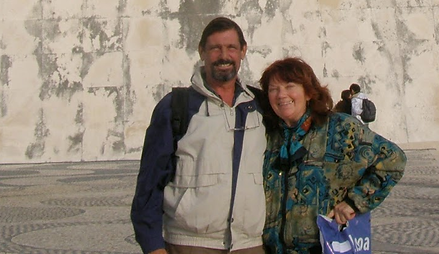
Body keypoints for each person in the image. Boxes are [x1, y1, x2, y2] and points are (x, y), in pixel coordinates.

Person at [131, 17, 265, 254]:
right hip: (191, 244)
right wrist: (153, 246)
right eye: (215, 48)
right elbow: (150, 183)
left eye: (231, 47)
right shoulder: (176, 107)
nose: (224, 56)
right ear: (202, 51)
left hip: (249, 245)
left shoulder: (259, 107)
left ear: (243, 51)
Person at [260, 57, 405, 254]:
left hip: (322, 247)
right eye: (273, 89)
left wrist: (354, 202)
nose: (281, 94)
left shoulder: (340, 128)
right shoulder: (268, 136)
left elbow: (393, 159)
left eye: (289, 86)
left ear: (308, 92)